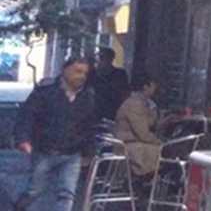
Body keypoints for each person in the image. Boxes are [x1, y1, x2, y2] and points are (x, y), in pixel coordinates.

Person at [13, 56, 97, 211]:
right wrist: (23, 139)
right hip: (45, 151)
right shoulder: (46, 93)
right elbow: (27, 116)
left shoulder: (87, 96)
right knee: (34, 190)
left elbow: (89, 126)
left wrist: (89, 152)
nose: (81, 76)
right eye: (77, 71)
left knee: (67, 194)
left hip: (72, 154)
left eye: (85, 73)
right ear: (65, 70)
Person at [115, 74, 166, 178]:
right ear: (145, 87)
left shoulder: (143, 102)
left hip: (134, 142)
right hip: (128, 146)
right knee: (166, 153)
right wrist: (162, 142)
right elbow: (143, 133)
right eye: (153, 86)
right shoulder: (135, 104)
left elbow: (148, 123)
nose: (155, 89)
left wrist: (158, 114)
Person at [89, 47, 130, 122]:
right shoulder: (92, 74)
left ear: (110, 59)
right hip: (94, 113)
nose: (99, 61)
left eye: (102, 58)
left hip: (112, 112)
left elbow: (124, 93)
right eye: (98, 58)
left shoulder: (119, 74)